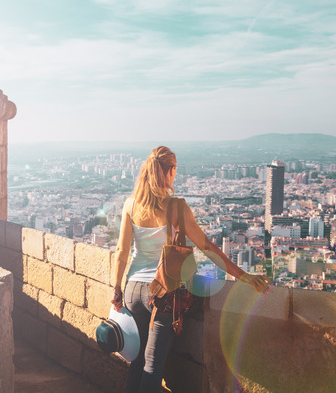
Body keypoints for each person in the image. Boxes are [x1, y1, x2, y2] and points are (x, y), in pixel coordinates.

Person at [111, 146, 270, 392]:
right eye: (175, 169)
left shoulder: (131, 205)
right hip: (161, 293)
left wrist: (116, 289)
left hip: (132, 289)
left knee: (137, 360)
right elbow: (207, 246)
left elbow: (122, 252)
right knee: (153, 368)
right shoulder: (177, 207)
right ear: (170, 172)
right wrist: (243, 276)